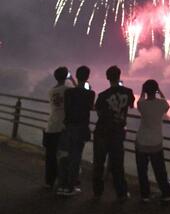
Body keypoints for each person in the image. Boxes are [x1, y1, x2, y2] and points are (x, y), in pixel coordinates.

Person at [93, 66, 134, 201]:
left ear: (107, 77)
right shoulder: (128, 92)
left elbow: (98, 112)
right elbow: (131, 105)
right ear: (119, 75)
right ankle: (121, 193)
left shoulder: (102, 96)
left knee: (99, 163)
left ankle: (97, 192)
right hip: (118, 133)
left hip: (102, 132)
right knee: (117, 164)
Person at [56, 66, 95, 196]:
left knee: (64, 156)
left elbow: (72, 97)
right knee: (75, 158)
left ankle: (62, 185)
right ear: (87, 77)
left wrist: (73, 81)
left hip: (68, 127)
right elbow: (91, 107)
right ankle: (70, 187)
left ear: (76, 76)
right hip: (81, 128)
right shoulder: (90, 94)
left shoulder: (68, 92)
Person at [135, 79, 170, 203]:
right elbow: (167, 104)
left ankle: (145, 195)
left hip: (141, 141)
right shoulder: (161, 104)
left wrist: (142, 92)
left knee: (142, 170)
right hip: (156, 143)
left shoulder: (142, 104)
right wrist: (160, 92)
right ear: (156, 90)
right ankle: (166, 193)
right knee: (160, 170)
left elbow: (139, 101)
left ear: (145, 91)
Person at [43, 66, 75, 189]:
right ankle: (62, 182)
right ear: (66, 76)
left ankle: (49, 181)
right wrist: (72, 79)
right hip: (63, 127)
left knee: (50, 156)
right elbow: (79, 91)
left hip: (51, 125)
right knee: (63, 156)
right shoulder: (68, 89)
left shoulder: (50, 91)